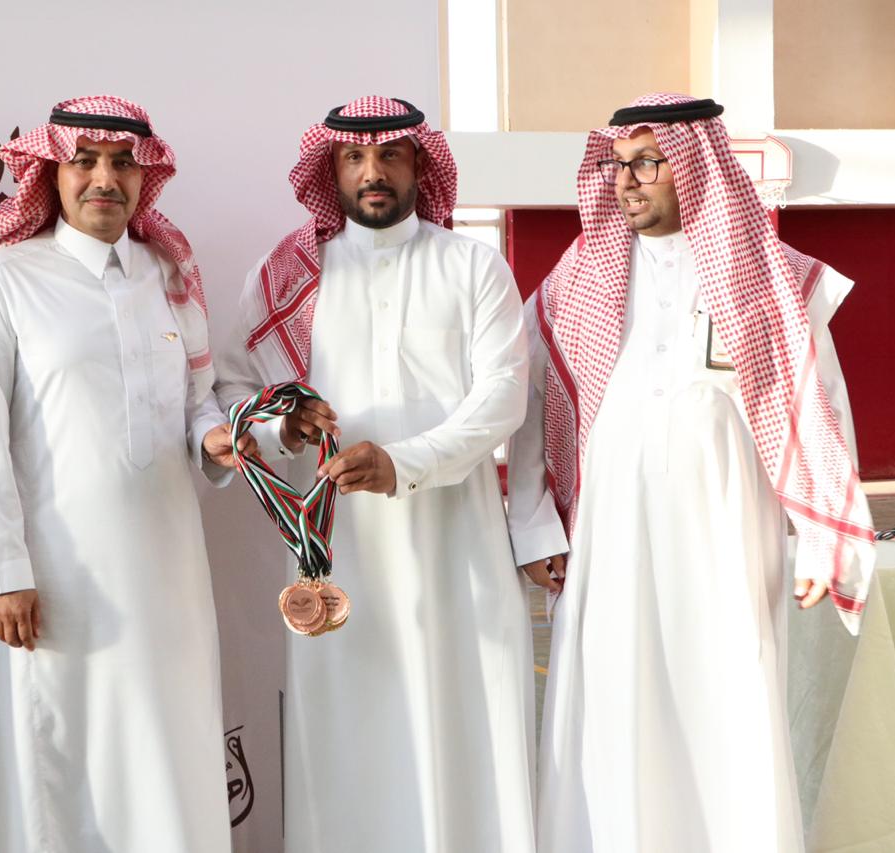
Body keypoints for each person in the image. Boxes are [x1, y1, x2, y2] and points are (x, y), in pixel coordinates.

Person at [508, 93, 875, 853]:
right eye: (618, 165)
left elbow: (818, 404)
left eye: (650, 162)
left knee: (726, 691)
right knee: (612, 695)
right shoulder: (577, 277)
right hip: (606, 532)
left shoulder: (769, 278)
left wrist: (820, 534)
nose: (627, 180)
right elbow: (532, 402)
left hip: (724, 525)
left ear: (698, 165)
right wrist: (536, 525)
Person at [216, 95, 536, 852]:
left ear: (419, 163)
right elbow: (234, 393)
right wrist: (284, 426)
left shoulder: (472, 265)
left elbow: (503, 396)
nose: (372, 172)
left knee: (462, 723)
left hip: (456, 546)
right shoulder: (289, 273)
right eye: (354, 158)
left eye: (390, 155)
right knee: (347, 733)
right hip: (340, 552)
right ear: (330, 169)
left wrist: (406, 462)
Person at [0, 95, 242, 853]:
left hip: (169, 567)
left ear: (146, 176)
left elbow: (197, 401)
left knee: (168, 746)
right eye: (84, 161)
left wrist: (215, 438)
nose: (105, 179)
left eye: (123, 163)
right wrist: (3, 573)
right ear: (51, 172)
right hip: (56, 574)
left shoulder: (170, 274)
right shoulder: (5, 278)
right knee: (61, 758)